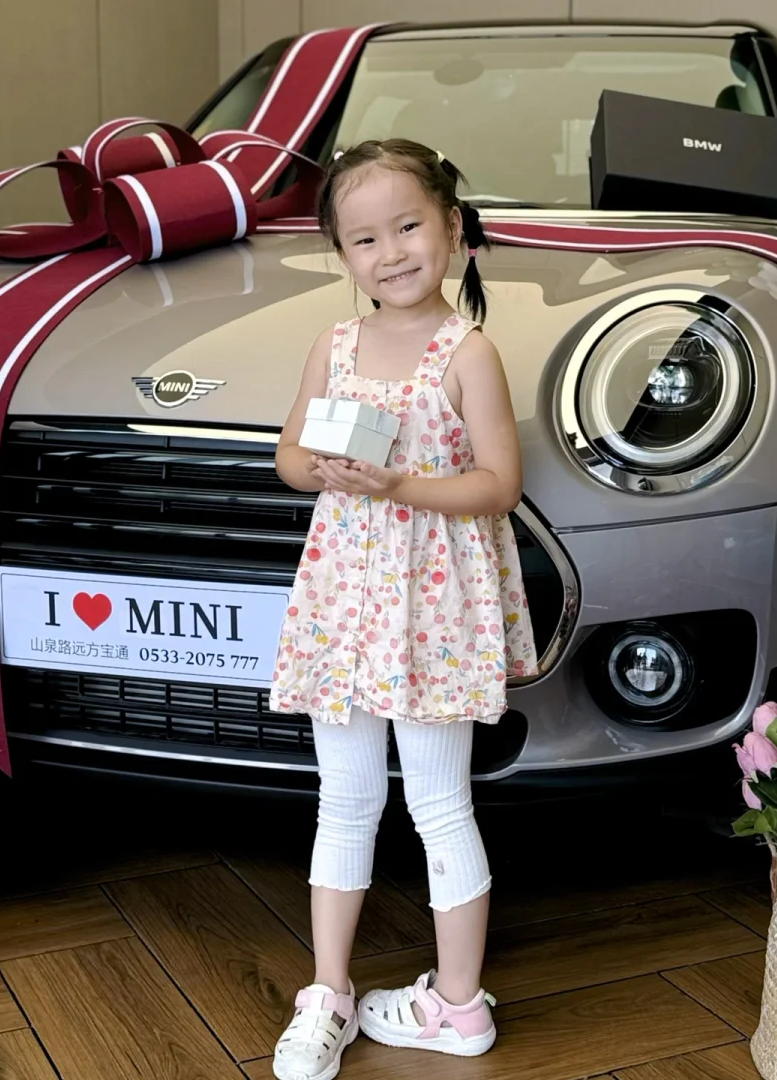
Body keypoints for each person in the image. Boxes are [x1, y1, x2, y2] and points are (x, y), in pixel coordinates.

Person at [267, 137, 538, 1080]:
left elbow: (499, 484)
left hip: (433, 611)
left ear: (453, 229)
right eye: (365, 238)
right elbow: (288, 456)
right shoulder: (334, 345)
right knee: (344, 799)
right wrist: (323, 469)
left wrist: (398, 485)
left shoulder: (470, 352)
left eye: (409, 226)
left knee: (438, 802)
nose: (390, 252)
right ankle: (328, 992)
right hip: (345, 602)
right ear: (343, 255)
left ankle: (457, 1007)